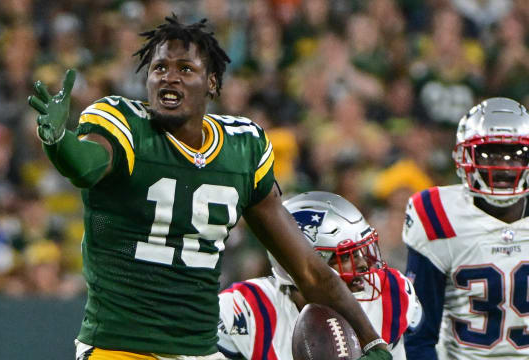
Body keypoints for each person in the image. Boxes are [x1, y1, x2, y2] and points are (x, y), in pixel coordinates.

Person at [27, 16, 390, 360]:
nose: (169, 77)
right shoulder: (125, 124)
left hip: (199, 349)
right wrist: (60, 141)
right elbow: (87, 166)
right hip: (121, 346)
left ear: (212, 82)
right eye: (160, 68)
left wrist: (370, 339)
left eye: (185, 69)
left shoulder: (242, 148)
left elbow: (307, 269)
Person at [217, 191, 422, 360]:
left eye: (361, 251)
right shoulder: (245, 310)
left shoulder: (392, 293)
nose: (362, 264)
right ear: (304, 263)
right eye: (346, 256)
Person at [403, 97, 529, 359]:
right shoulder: (437, 214)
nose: (504, 168)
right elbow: (419, 335)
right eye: (490, 154)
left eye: (516, 156)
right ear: (464, 156)